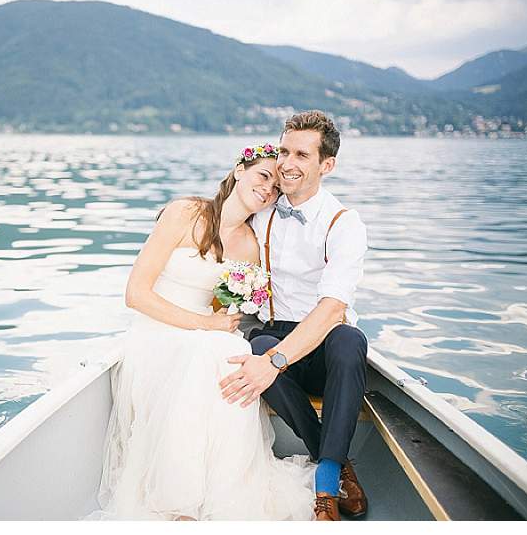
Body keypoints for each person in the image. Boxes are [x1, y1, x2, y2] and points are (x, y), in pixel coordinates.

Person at [85, 144, 316, 520]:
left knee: (231, 354)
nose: (268, 189)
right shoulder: (185, 213)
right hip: (156, 328)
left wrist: (223, 318)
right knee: (206, 351)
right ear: (239, 170)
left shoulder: (249, 246)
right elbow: (136, 294)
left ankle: (221, 492)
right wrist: (206, 324)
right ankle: (177, 500)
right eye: (263, 176)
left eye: (276, 188)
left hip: (202, 335)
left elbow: (224, 310)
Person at [219, 111, 369, 521]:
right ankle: (334, 465)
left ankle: (324, 489)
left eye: (302, 154)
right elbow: (221, 223)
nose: (286, 163)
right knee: (258, 344)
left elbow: (333, 308)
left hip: (325, 346)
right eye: (284, 151)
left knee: (350, 340)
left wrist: (274, 362)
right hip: (276, 335)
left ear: (327, 165)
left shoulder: (344, 223)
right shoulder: (262, 211)